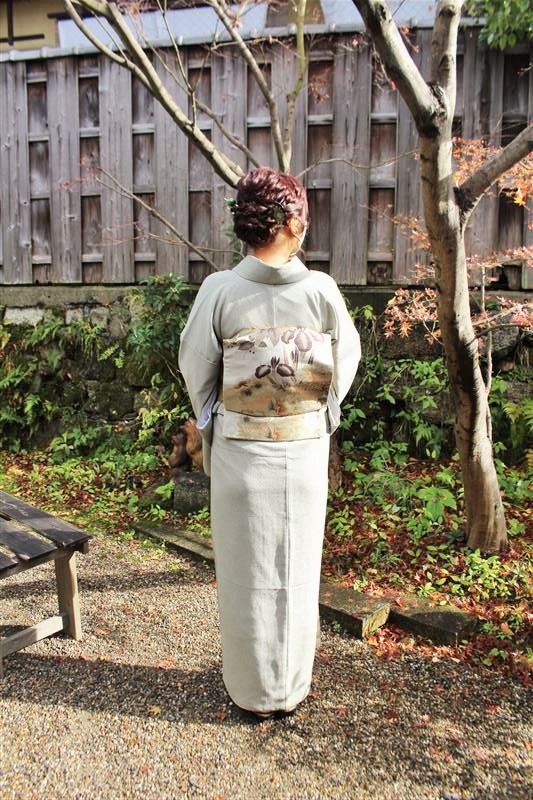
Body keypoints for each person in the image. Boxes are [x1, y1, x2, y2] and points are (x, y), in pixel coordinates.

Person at [178, 167, 361, 718]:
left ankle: (250, 689)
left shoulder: (219, 291)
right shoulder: (321, 292)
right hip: (303, 454)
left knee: (245, 576)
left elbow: (196, 369)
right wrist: (319, 413)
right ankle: (289, 687)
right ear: (293, 222)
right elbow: (344, 364)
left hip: (241, 458)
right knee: (296, 573)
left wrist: (218, 421)